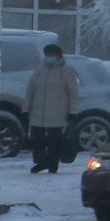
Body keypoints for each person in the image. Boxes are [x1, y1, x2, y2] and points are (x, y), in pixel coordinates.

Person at [25, 43, 80, 174]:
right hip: (38, 113)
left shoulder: (67, 71)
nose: (48, 57)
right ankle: (41, 161)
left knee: (54, 141)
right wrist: (26, 108)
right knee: (37, 140)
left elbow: (73, 92)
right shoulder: (40, 70)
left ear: (58, 55)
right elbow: (30, 90)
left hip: (58, 113)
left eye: (51, 55)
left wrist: (73, 111)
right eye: (47, 54)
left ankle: (52, 165)